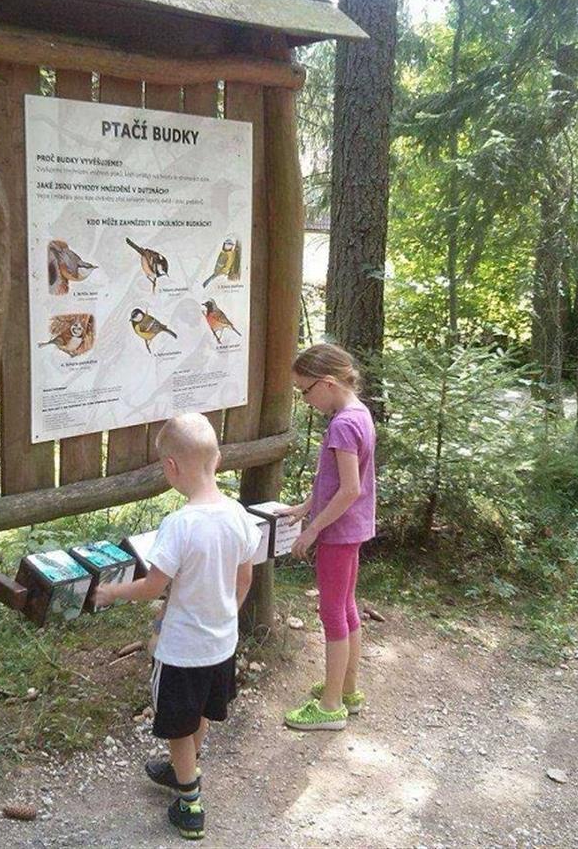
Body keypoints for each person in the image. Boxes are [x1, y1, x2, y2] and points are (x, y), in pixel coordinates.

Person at [94, 413, 259, 840]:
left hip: (182, 650)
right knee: (200, 712)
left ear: (170, 467)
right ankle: (182, 769)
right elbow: (244, 578)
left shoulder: (179, 525)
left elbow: (153, 587)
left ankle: (189, 804)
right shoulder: (239, 515)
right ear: (217, 460)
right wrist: (229, 614)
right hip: (222, 643)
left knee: (177, 725)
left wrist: (112, 593)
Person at [282, 344, 377, 731]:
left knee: (331, 612)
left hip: (338, 532)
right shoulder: (359, 413)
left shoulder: (341, 425)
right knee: (346, 606)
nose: (305, 400)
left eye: (305, 391)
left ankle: (330, 705)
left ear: (327, 383)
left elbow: (350, 488)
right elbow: (333, 480)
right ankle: (347, 689)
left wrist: (313, 529)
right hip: (352, 528)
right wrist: (306, 507)